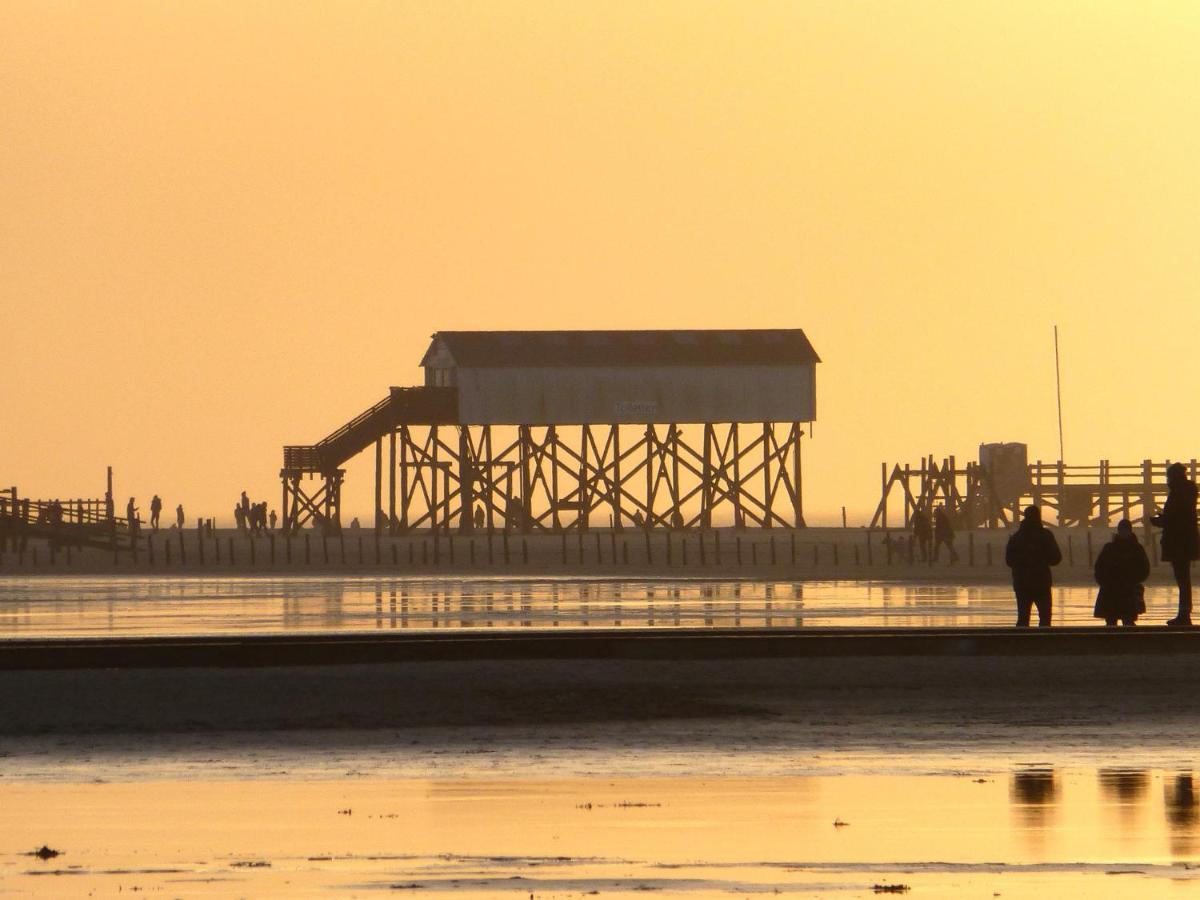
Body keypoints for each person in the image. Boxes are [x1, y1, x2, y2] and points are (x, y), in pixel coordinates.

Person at [1152, 462, 1200, 627]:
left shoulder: (1178, 493)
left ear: (1173, 476)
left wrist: (1160, 521)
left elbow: (1175, 519)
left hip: (1179, 541)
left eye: (1168, 476)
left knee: (1182, 579)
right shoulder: (1188, 492)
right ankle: (1184, 613)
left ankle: (1184, 614)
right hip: (1186, 540)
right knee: (1184, 579)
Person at [1005, 505, 1062, 627]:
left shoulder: (1016, 537)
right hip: (1041, 581)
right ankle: (1044, 642)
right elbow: (1056, 559)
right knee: (1045, 617)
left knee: (1023, 617)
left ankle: (1021, 643)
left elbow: (1009, 561)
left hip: (1022, 582)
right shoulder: (1045, 535)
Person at [1093, 519, 1150, 627]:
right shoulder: (1112, 548)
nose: (1124, 533)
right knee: (1112, 621)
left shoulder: (1135, 548)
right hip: (1112, 589)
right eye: (1122, 530)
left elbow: (1144, 569)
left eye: (1125, 530)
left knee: (1127, 621)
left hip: (1126, 589)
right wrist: (1103, 581)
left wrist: (1133, 580)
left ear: (1130, 531)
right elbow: (1099, 568)